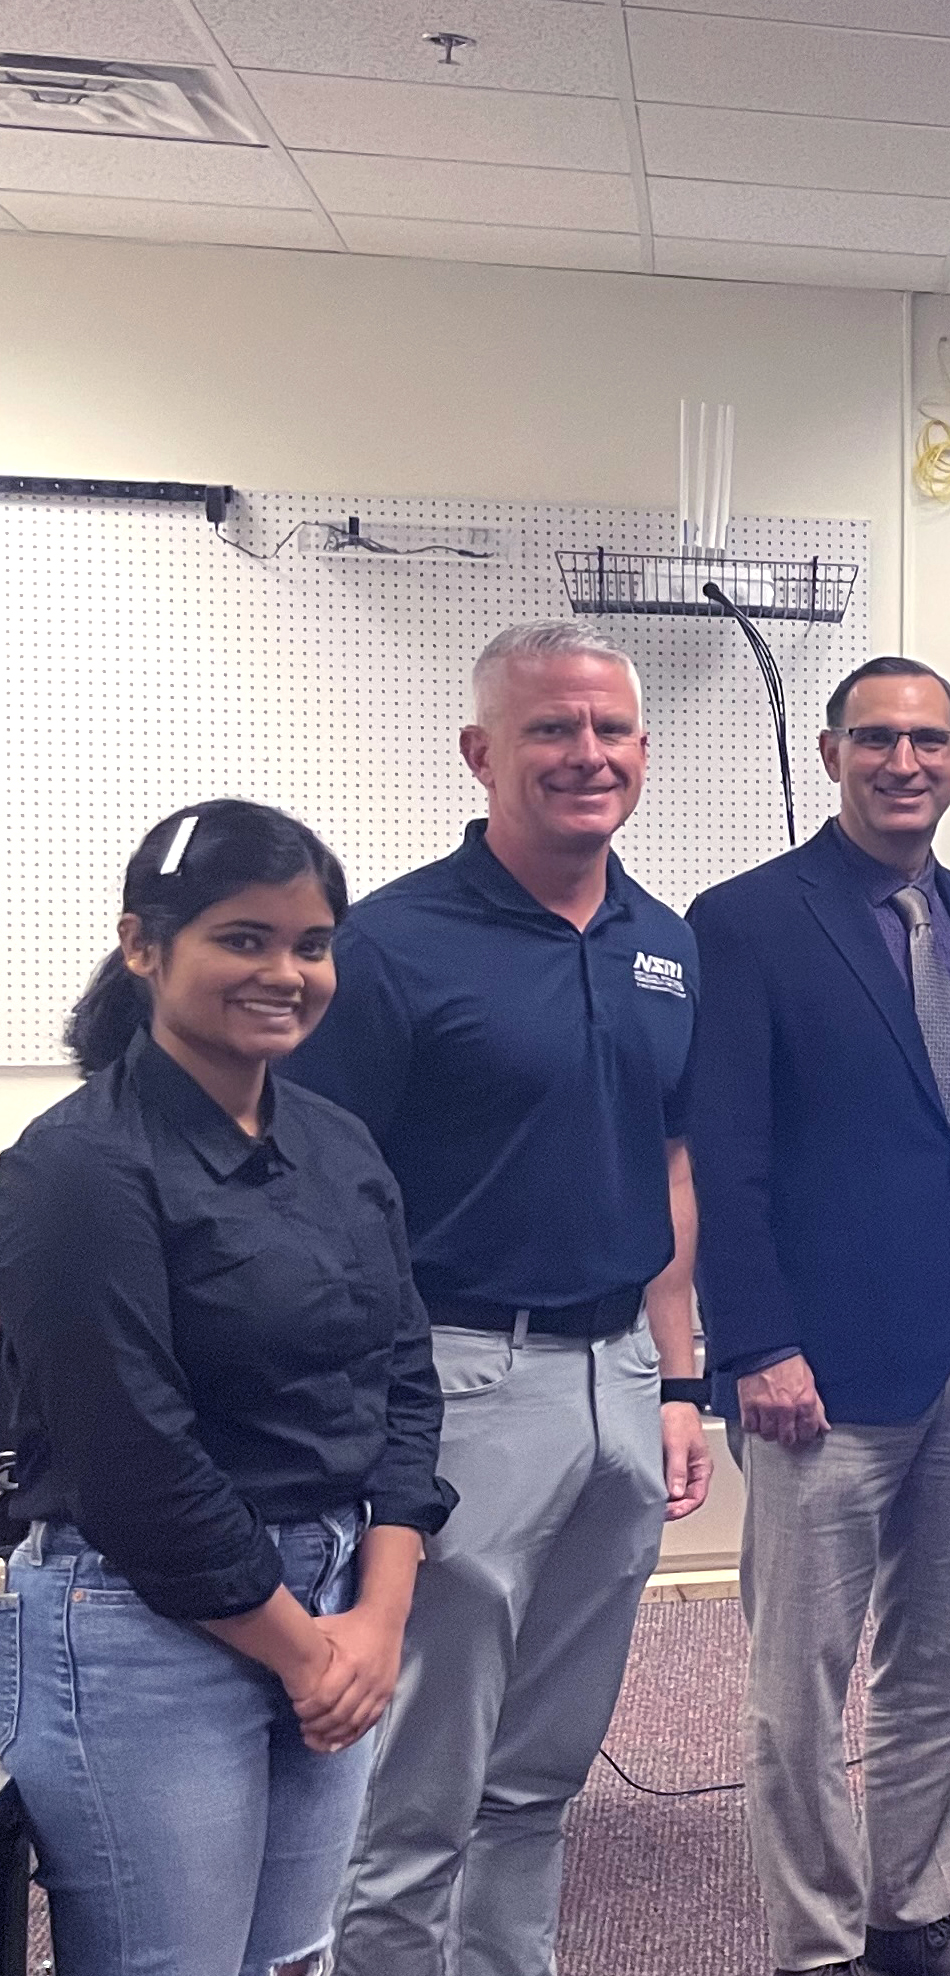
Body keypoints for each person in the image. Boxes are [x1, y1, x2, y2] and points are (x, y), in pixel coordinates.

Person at [290, 622, 713, 1976]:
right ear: (481, 752)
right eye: (549, 730)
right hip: (461, 1381)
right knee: (419, 1778)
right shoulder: (390, 945)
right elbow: (317, 1198)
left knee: (539, 1774)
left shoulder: (667, 944)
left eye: (608, 732)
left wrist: (680, 1379)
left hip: (622, 1392)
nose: (584, 756)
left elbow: (668, 1166)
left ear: (641, 752)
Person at [0, 801, 452, 1976]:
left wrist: (379, 1612)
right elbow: (129, 1457)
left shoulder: (341, 1143)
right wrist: (308, 1653)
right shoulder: (75, 1168)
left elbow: (404, 1375)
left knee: (288, 1957)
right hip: (143, 1622)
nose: (286, 972)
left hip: (340, 1598)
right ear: (144, 945)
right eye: (243, 938)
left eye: (311, 943)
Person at [688, 657, 950, 1976]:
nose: (903, 763)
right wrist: (750, 1344)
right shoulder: (741, 922)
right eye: (876, 740)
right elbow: (724, 1153)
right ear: (832, 751)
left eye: (928, 741)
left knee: (937, 1667)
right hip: (819, 1370)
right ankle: (813, 1942)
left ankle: (909, 1910)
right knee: (800, 1681)